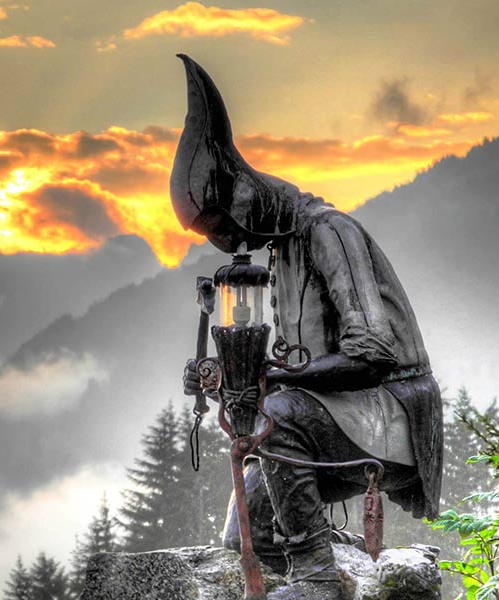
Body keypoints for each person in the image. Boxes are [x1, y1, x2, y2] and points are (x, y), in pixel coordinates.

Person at [174, 54, 442, 600]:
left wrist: (277, 381)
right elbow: (289, 375)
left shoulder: (330, 232)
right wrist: (228, 381)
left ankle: (318, 576)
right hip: (334, 415)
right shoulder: (282, 254)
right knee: (243, 531)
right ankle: (326, 557)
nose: (226, 241)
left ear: (243, 200)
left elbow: (373, 351)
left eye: (224, 226)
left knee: (278, 413)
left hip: (388, 407)